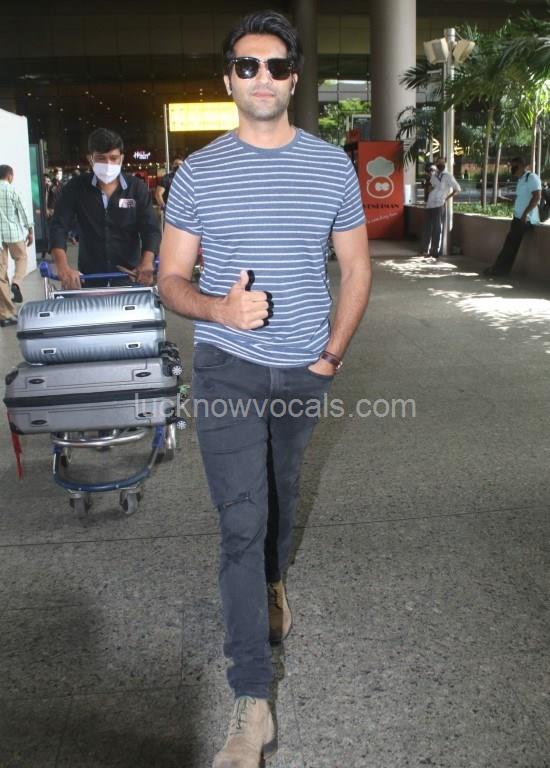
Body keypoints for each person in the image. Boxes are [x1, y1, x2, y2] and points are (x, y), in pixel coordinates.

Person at [158, 10, 371, 768]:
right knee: (242, 521)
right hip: (227, 368)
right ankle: (252, 701)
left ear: (294, 78)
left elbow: (358, 268)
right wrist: (220, 309)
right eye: (247, 65)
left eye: (276, 66)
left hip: (304, 371)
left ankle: (274, 582)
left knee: (279, 494)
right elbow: (169, 279)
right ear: (228, 79)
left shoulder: (331, 167)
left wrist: (332, 354)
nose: (262, 77)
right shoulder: (198, 173)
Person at [49, 128, 161, 289]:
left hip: (130, 278)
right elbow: (58, 227)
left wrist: (147, 262)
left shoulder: (136, 189)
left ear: (121, 158)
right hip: (89, 279)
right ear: (90, 159)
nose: (108, 164)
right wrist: (63, 267)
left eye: (113, 158)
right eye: (101, 159)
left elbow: (150, 229)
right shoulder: (76, 188)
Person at [484, 157, 542, 277]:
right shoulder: (521, 180)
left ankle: (497, 271)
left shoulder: (531, 178)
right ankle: (501, 270)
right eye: (511, 166)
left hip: (526, 219)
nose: (512, 169)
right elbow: (521, 199)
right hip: (518, 217)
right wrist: (504, 200)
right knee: (510, 244)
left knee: (510, 245)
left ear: (522, 165)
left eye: (514, 166)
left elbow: (537, 197)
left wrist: (525, 214)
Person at [0, 164, 33, 327]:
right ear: (10, 176)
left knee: (0, 274)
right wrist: (30, 230)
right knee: (21, 258)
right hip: (13, 234)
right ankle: (16, 283)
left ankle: (5, 314)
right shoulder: (12, 190)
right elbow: (23, 211)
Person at [421, 156, 461, 259]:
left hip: (439, 204)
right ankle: (425, 249)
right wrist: (428, 189)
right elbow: (431, 187)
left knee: (437, 228)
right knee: (427, 227)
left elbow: (457, 189)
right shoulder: (434, 176)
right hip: (430, 204)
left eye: (442, 162)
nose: (440, 164)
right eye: (438, 162)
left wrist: (446, 198)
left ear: (445, 163)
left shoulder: (448, 176)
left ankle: (434, 251)